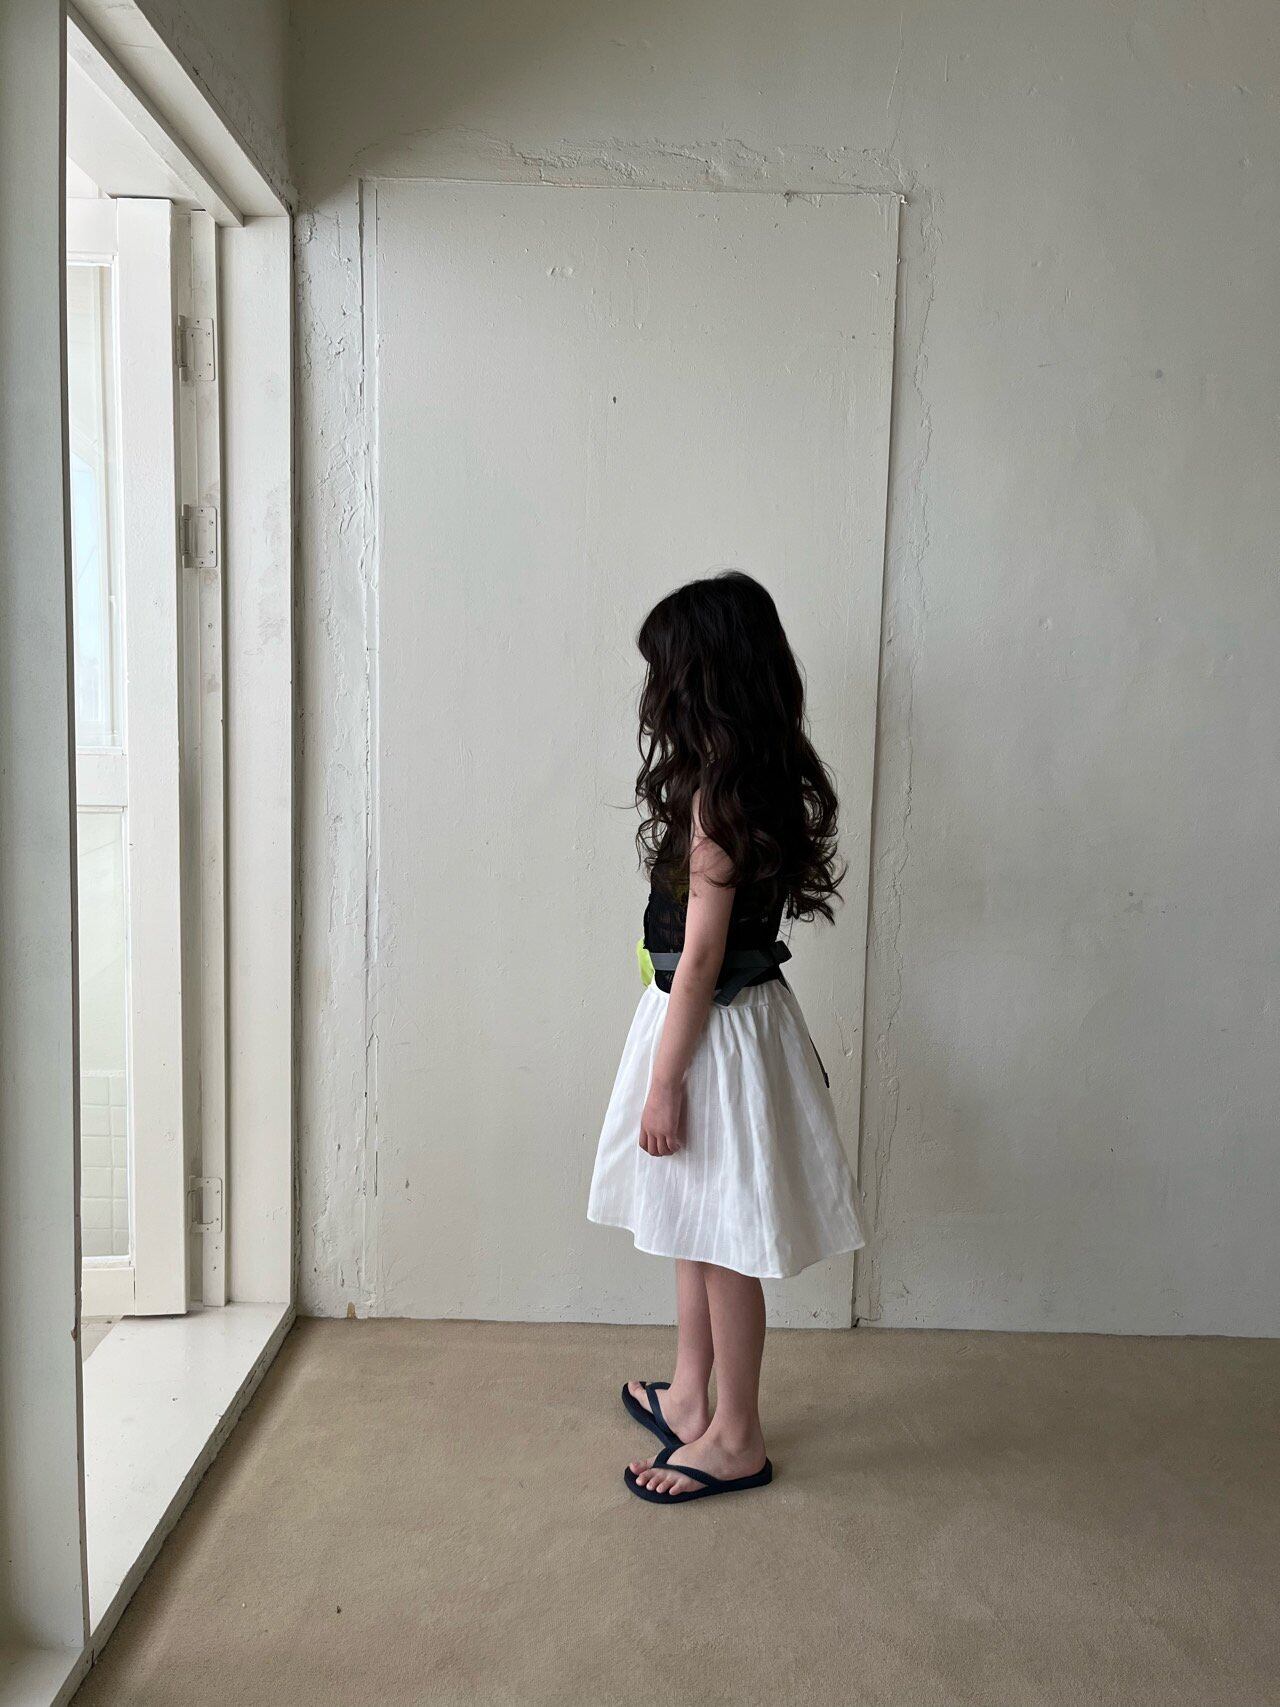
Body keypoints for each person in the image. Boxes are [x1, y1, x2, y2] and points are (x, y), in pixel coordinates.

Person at [588, 570, 866, 1505]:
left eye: (664, 673)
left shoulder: (717, 801)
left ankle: (737, 1433)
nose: (654, 691)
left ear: (702, 679)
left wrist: (665, 1081)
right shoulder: (753, 780)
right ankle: (689, 1392)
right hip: (723, 1025)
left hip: (710, 1034)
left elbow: (702, 958)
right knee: (692, 1219)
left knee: (722, 1241)